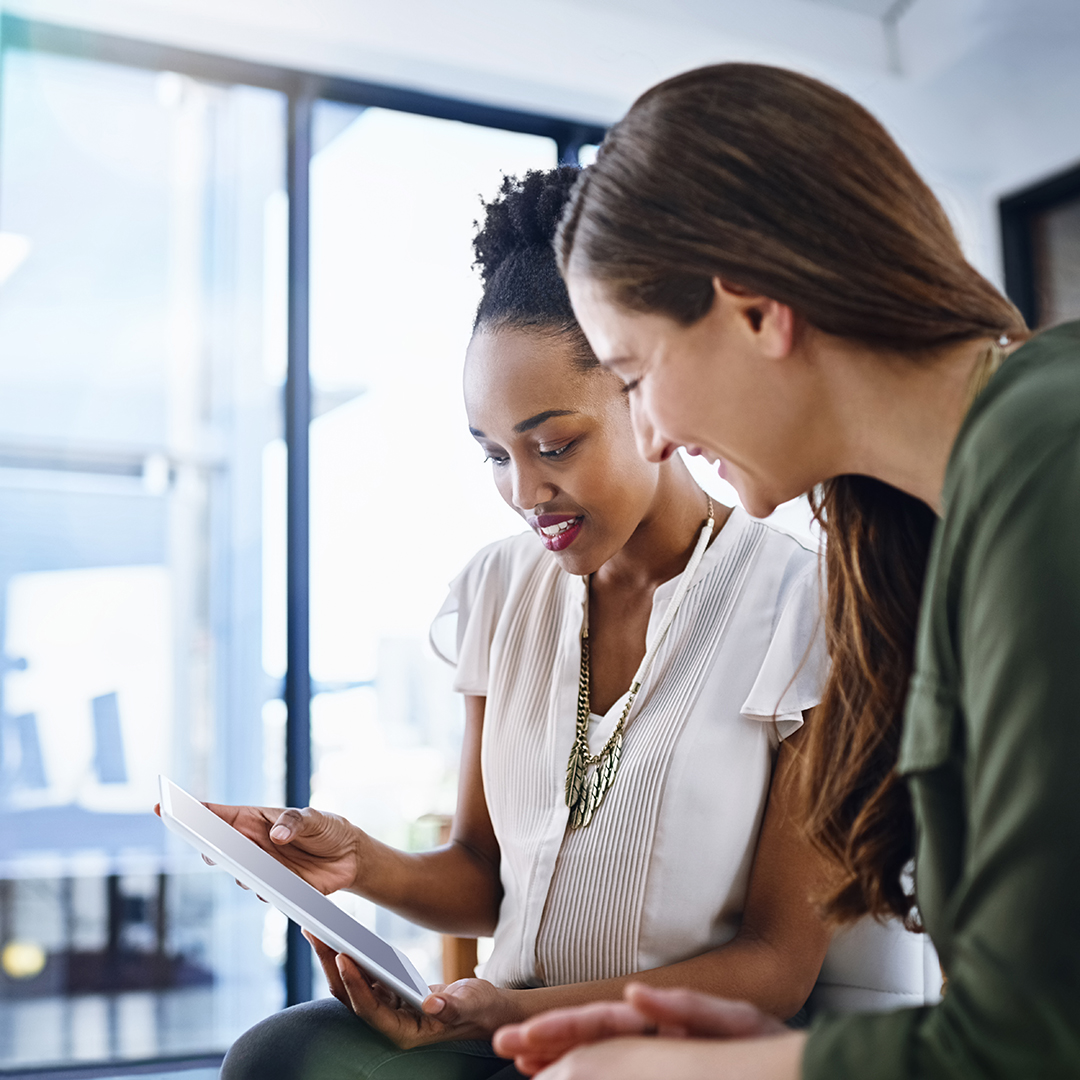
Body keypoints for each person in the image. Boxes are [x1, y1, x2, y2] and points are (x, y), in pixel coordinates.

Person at [490, 63, 1080, 1079]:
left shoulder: (1048, 456)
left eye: (636, 376)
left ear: (758, 313)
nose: (658, 437)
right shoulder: (939, 529)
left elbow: (1029, 1043)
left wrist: (727, 1071)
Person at [217, 167, 870, 1080]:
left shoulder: (804, 610)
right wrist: (357, 862)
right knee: (281, 1056)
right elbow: (483, 872)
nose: (524, 493)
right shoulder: (498, 589)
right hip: (499, 1035)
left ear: (649, 395)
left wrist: (519, 1010)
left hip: (665, 1060)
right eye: (493, 455)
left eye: (554, 445)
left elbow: (776, 968)